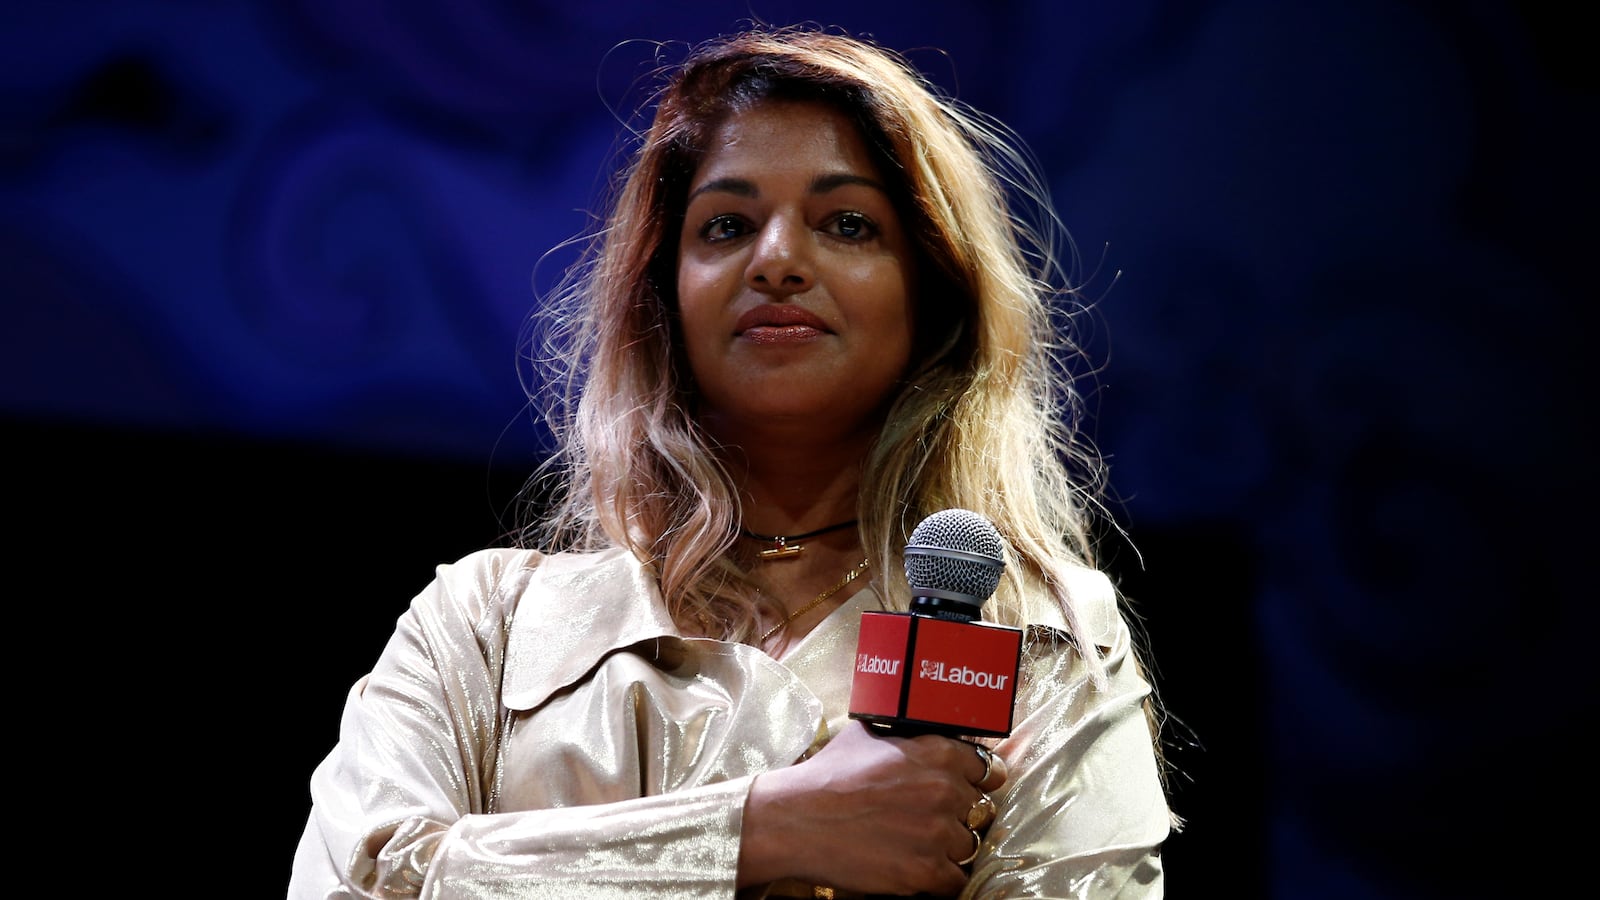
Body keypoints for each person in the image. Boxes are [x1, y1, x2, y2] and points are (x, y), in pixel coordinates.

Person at [289, 24, 1176, 899]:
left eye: (848, 224)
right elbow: (356, 885)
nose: (778, 259)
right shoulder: (485, 626)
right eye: (726, 225)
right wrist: (766, 831)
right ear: (665, 297)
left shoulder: (1041, 640)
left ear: (934, 293)